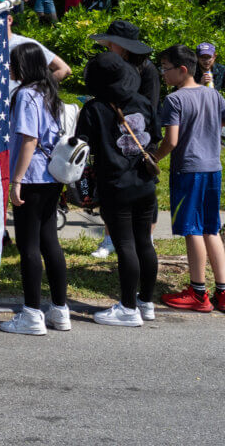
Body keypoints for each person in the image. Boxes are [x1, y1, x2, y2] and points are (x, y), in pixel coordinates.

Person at [152, 45, 225, 314]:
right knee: (210, 228)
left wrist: (153, 158)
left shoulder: (174, 100)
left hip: (188, 171)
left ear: (182, 70)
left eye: (166, 68)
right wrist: (211, 119)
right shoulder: (212, 94)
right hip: (213, 170)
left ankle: (197, 293)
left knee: (192, 229)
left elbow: (171, 141)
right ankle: (224, 293)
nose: (163, 73)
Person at [75, 53, 161, 326]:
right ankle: (146, 302)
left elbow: (80, 146)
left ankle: (127, 308)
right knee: (144, 242)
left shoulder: (93, 109)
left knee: (125, 245)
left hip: (115, 185)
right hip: (144, 183)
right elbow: (155, 139)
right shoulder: (143, 102)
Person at [0, 42, 70, 336]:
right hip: (52, 175)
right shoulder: (48, 92)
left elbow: (29, 139)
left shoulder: (26, 95)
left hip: (31, 177)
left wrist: (16, 179)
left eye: (13, 62)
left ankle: (31, 312)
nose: (10, 68)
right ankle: (60, 308)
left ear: (24, 65)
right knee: (49, 241)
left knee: (28, 245)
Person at [6, 15, 71, 92]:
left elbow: (64, 69)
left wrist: (38, 92)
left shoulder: (25, 45)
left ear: (9, 20)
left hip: (21, 98)